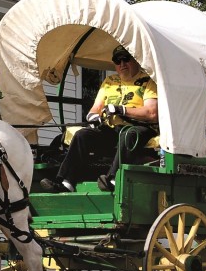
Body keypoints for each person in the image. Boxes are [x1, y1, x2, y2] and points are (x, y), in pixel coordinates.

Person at [41, 47, 158, 192]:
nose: (122, 64)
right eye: (117, 60)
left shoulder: (148, 80)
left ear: (136, 59)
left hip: (138, 128)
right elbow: (95, 108)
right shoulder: (110, 81)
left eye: (126, 59)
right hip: (111, 129)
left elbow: (151, 112)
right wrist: (93, 117)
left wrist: (122, 110)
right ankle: (66, 183)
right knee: (82, 135)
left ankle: (113, 179)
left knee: (127, 134)